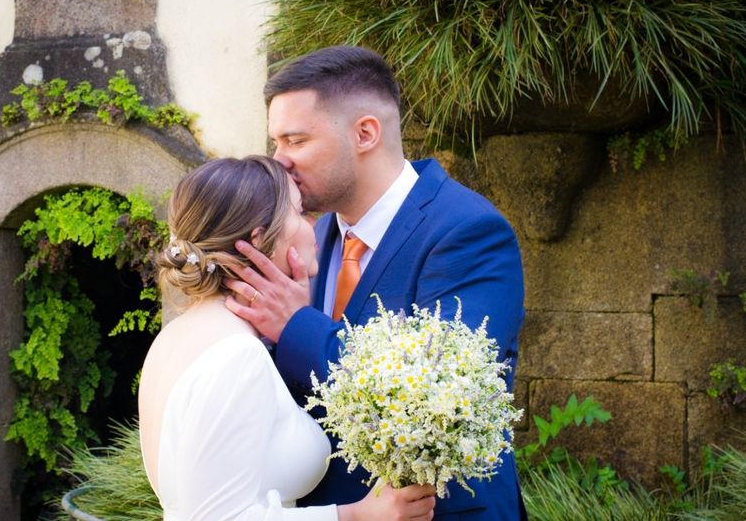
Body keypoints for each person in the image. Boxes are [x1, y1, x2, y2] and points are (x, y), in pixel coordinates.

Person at [224, 46, 526, 520]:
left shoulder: (468, 232)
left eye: (296, 141)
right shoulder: (314, 233)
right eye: (275, 142)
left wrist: (296, 324)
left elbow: (442, 395)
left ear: (365, 133)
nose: (279, 161)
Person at [138, 155, 436, 520]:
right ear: (263, 240)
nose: (315, 226)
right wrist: (356, 516)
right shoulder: (236, 355)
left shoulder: (177, 336)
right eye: (300, 213)